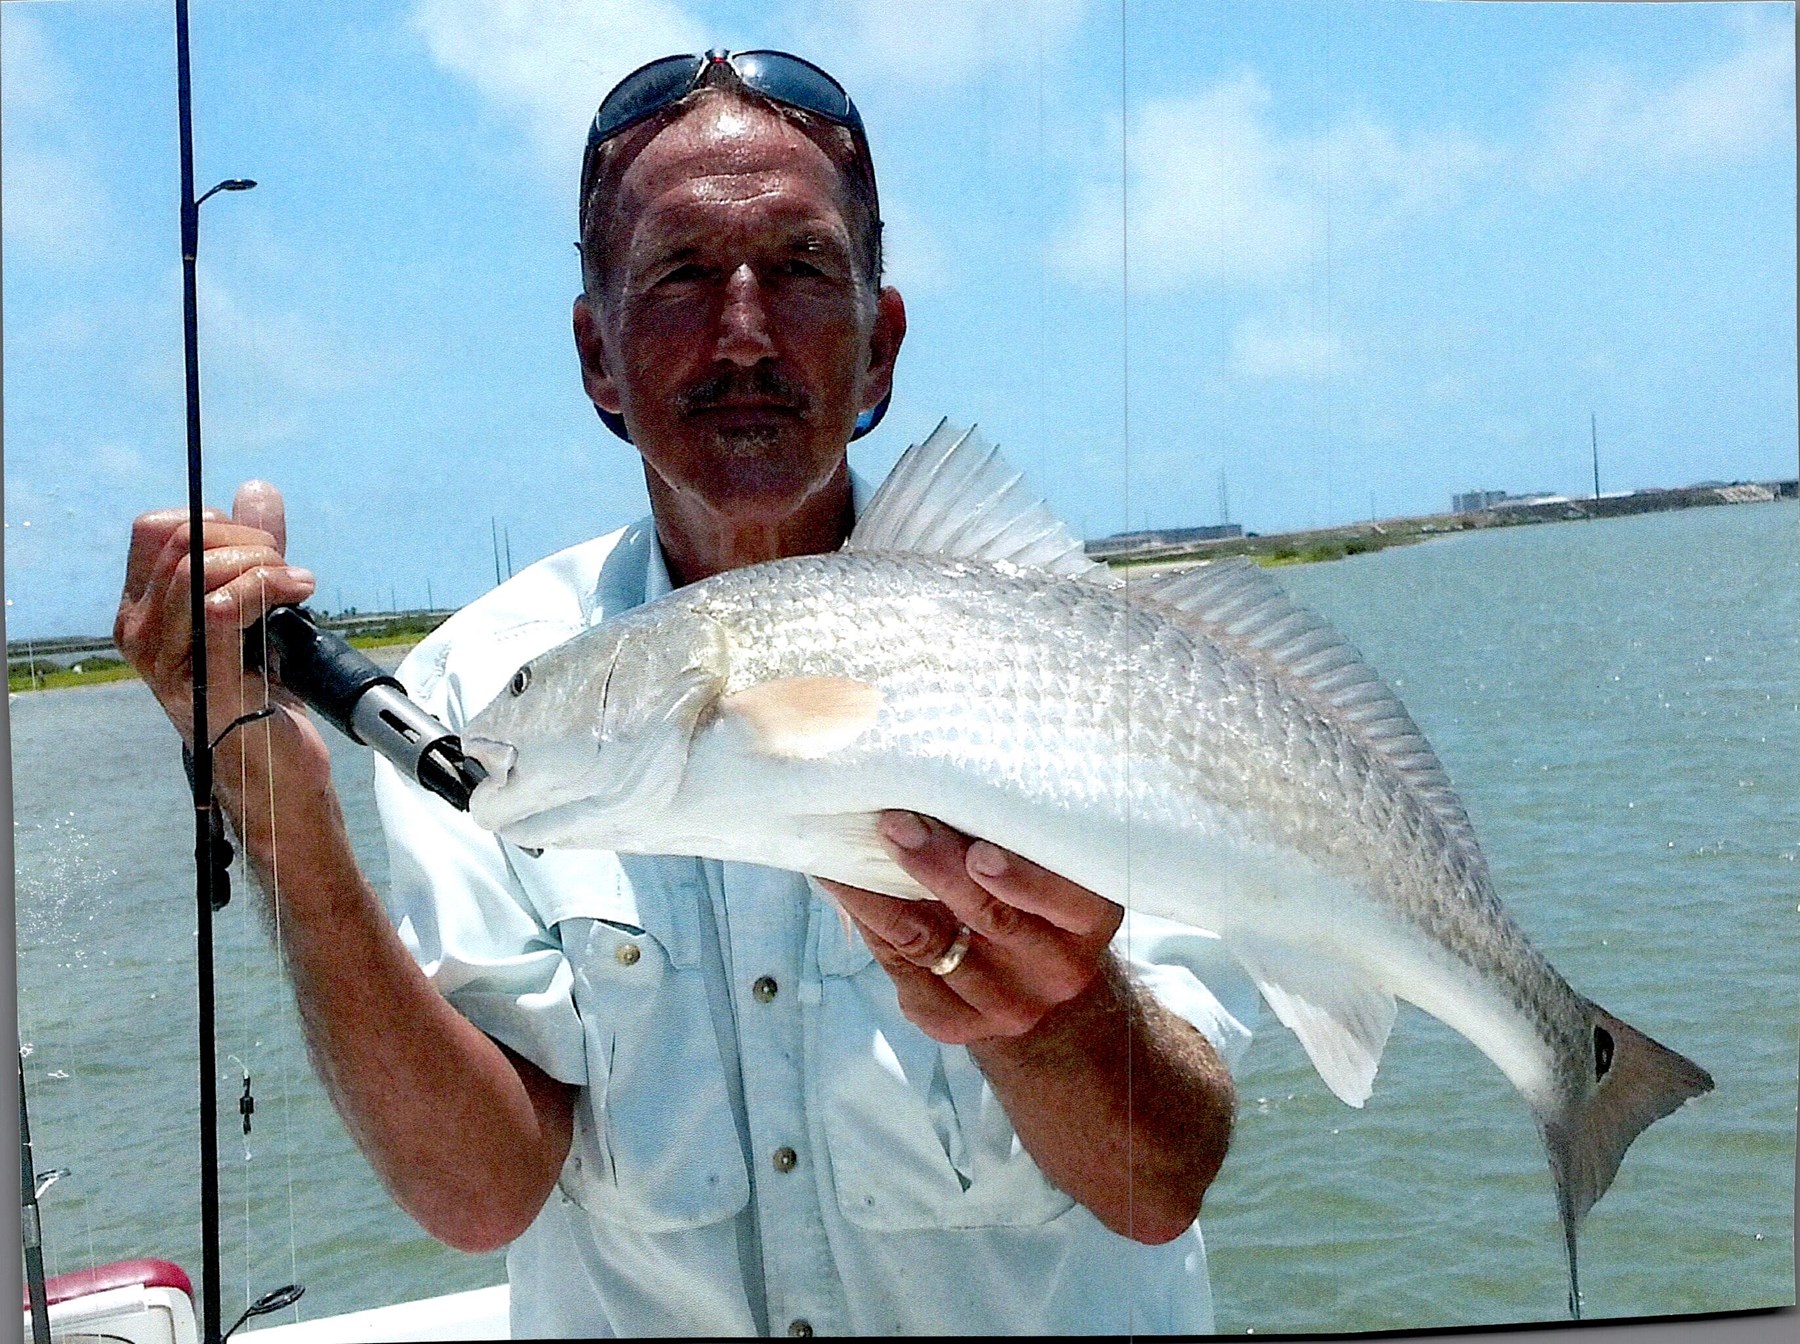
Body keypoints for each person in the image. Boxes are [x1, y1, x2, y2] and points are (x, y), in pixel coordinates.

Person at [116, 49, 1257, 1336]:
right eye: (679, 275)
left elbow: (1158, 1184)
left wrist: (1049, 1014)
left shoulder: (1096, 666)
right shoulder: (482, 694)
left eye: (803, 267)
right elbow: (482, 1194)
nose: (745, 333)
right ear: (596, 356)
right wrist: (286, 822)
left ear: (880, 347)